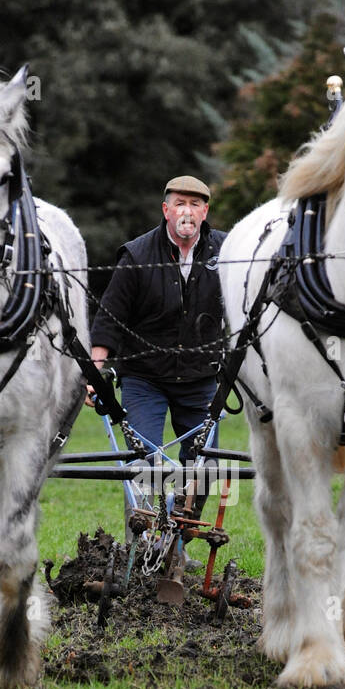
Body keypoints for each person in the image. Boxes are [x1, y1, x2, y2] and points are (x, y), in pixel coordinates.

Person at [87, 176, 227, 531]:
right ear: (166, 210)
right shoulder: (136, 254)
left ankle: (177, 547)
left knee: (206, 466)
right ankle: (144, 542)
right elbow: (110, 317)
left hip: (201, 377)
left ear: (205, 211)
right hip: (144, 378)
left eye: (196, 204)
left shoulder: (227, 252)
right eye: (180, 202)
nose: (188, 211)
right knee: (143, 463)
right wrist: (94, 373)